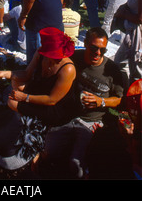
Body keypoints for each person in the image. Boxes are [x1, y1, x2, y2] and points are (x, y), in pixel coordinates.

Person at [41, 27, 124, 179]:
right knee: (48, 153)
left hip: (92, 121)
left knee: (77, 166)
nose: (98, 53)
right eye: (93, 48)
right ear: (85, 43)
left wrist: (101, 101)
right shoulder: (74, 58)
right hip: (69, 114)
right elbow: (49, 57)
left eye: (102, 50)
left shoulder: (111, 70)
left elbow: (119, 99)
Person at [0, 27, 76, 171]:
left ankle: (32, 123)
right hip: (40, 93)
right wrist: (4, 73)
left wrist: (25, 97)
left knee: (12, 101)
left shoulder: (67, 69)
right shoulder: (41, 54)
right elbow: (27, 74)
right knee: (16, 83)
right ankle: (27, 119)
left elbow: (52, 100)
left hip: (55, 108)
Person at [113, 0, 142, 85]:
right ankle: (124, 91)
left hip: (137, 35)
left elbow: (140, 18)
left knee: (136, 72)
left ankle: (134, 99)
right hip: (131, 35)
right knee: (119, 63)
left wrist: (124, 13)